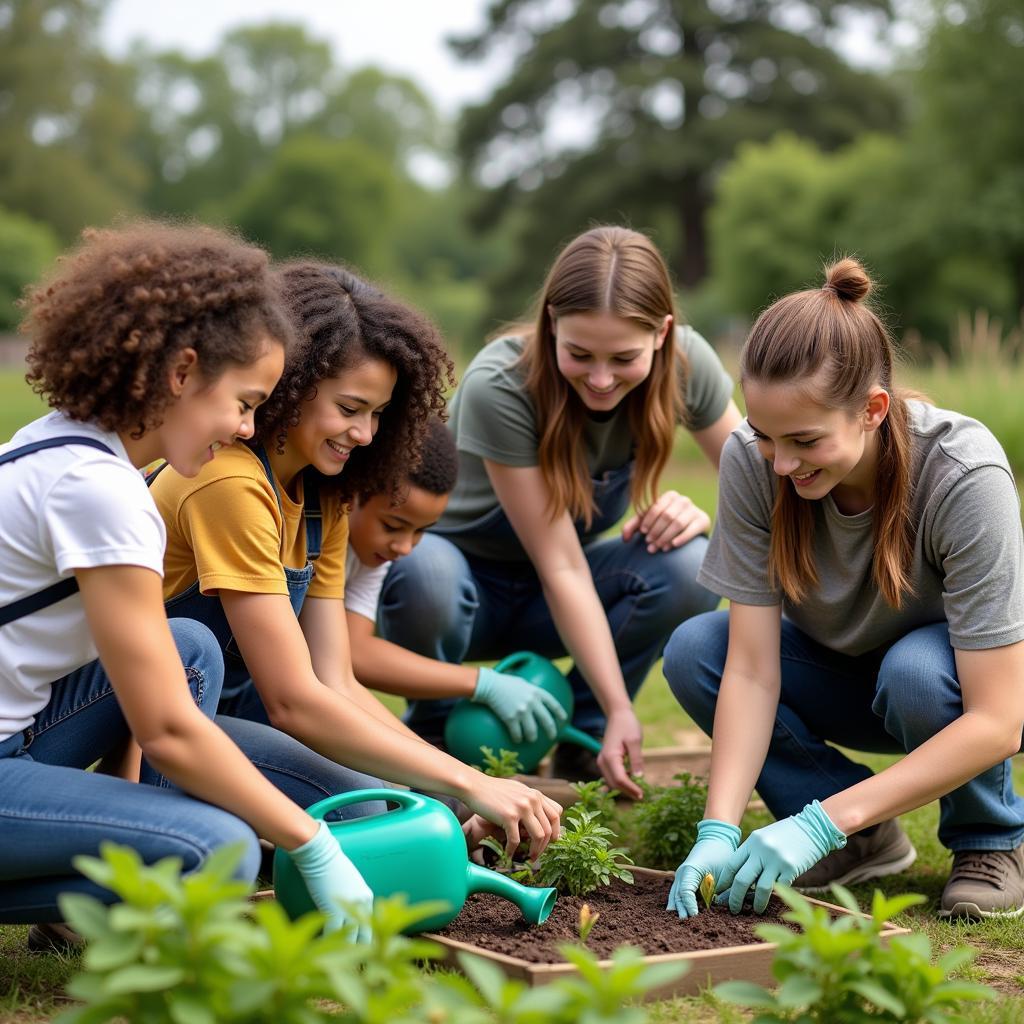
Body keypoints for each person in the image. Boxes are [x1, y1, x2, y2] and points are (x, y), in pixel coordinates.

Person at [0, 223, 384, 941]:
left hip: (15, 736)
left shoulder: (58, 441)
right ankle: (114, 904)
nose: (247, 427)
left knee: (188, 645)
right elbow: (171, 731)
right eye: (244, 402)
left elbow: (160, 694)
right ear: (181, 373)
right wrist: (311, 841)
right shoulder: (100, 491)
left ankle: (100, 897)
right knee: (220, 848)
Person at [148, 261, 562, 856]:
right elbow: (293, 701)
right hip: (156, 727)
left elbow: (334, 680)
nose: (365, 434)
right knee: (371, 811)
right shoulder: (230, 484)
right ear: (289, 386)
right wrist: (468, 780)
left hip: (223, 715)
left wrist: (454, 793)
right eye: (349, 408)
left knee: (399, 807)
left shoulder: (325, 496)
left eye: (377, 414)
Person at [664, 258, 1024, 921]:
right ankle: (864, 839)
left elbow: (1000, 717)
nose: (782, 463)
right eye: (766, 436)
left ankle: (989, 839)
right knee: (696, 650)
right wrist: (717, 828)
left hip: (946, 685)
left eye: (804, 440)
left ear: (873, 410)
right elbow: (747, 669)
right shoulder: (756, 461)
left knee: (914, 671)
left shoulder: (964, 474)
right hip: (839, 672)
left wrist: (815, 824)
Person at [379, 225, 741, 798]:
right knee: (426, 568)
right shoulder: (500, 384)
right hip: (464, 596)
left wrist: (705, 521)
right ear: (551, 323)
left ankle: (590, 745)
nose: (600, 379)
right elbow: (561, 564)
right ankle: (434, 744)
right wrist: (631, 707)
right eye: (579, 354)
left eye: (623, 358)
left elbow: (766, 489)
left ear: (663, 333)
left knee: (687, 563)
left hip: (561, 591)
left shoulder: (688, 364)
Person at [346, 417, 567, 744]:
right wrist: (481, 684)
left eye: (421, 530)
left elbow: (351, 649)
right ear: (350, 492)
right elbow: (347, 659)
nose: (405, 547)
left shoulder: (370, 554)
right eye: (393, 526)